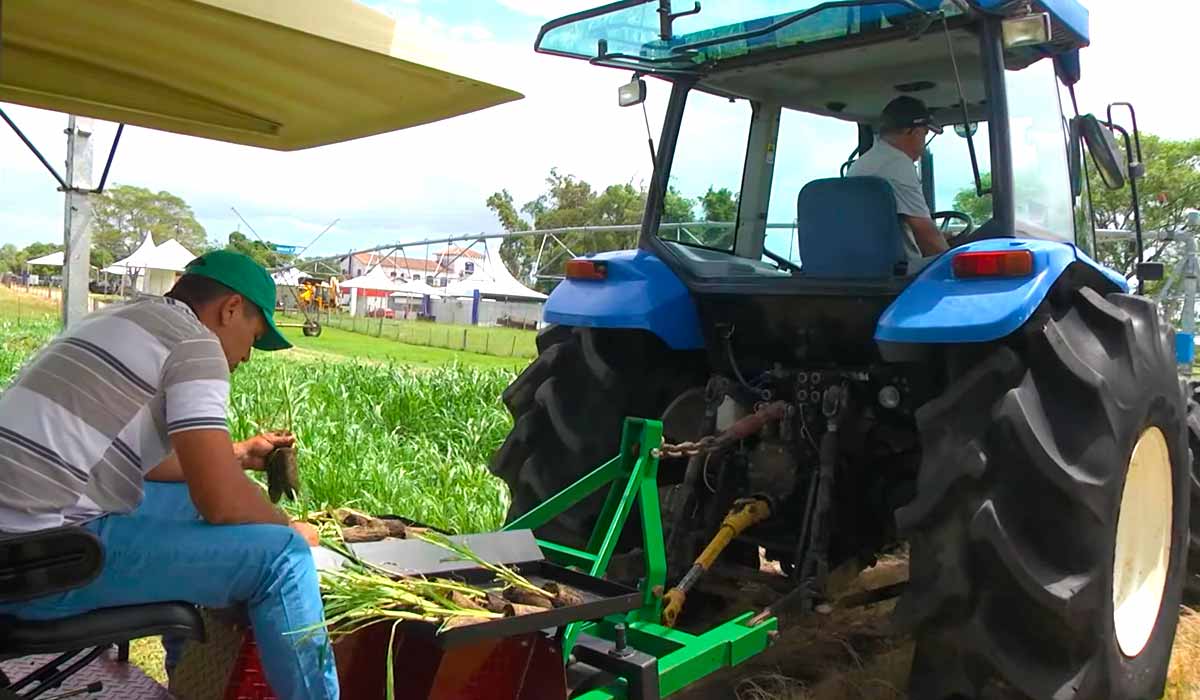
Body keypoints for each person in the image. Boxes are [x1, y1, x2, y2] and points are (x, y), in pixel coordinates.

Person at [0, 250, 338, 699]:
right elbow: (220, 503)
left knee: (190, 507)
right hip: (40, 569)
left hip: (17, 545)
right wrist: (290, 528)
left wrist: (235, 455)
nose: (247, 356)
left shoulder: (120, 319)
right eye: (253, 338)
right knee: (283, 559)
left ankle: (191, 686)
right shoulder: (196, 344)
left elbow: (135, 462)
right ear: (230, 309)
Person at [848, 95, 949, 262]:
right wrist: (953, 264)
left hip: (865, 264)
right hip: (900, 273)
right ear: (914, 131)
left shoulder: (861, 163)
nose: (923, 145)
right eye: (925, 134)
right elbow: (927, 235)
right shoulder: (898, 164)